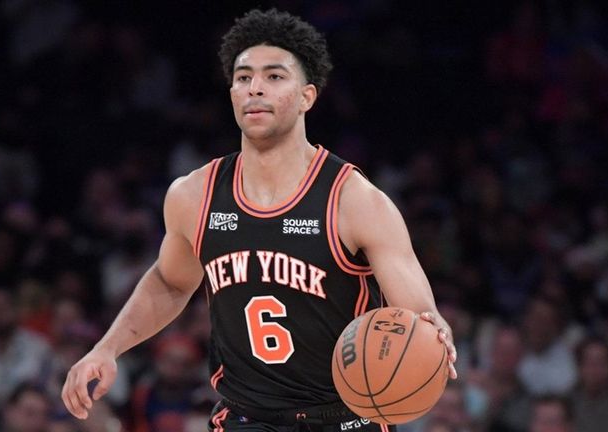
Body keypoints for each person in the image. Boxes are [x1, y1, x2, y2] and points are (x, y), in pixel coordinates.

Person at [61, 8, 457, 431]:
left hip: (345, 417)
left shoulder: (354, 201)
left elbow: (414, 315)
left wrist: (433, 332)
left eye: (273, 76)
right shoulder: (194, 195)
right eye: (244, 77)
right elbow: (171, 282)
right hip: (246, 416)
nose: (255, 89)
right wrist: (107, 348)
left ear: (307, 95)